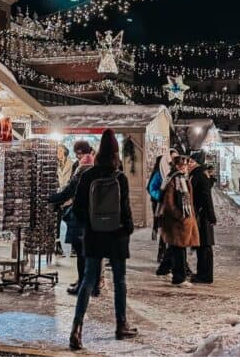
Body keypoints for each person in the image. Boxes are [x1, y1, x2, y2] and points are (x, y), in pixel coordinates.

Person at [69, 129, 137, 350]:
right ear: (116, 154)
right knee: (119, 281)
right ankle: (121, 324)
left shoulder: (88, 175)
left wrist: (89, 224)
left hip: (93, 235)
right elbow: (126, 209)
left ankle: (77, 329)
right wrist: (127, 227)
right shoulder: (120, 177)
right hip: (116, 235)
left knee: (88, 280)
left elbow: (77, 208)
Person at [49, 154, 102, 295]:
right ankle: (94, 286)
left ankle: (82, 286)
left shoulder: (79, 176)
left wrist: (48, 198)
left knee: (81, 255)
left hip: (80, 221)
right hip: (97, 223)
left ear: (80, 164)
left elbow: (66, 194)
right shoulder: (102, 177)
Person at [155, 156, 200, 287]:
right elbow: (168, 202)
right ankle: (179, 278)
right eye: (183, 165)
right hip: (177, 221)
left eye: (186, 165)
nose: (185, 167)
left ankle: (163, 269)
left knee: (174, 246)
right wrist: (180, 216)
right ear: (178, 166)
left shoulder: (175, 177)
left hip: (178, 220)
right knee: (179, 249)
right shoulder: (176, 178)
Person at [190, 152, 217, 283]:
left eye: (191, 161)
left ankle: (205, 275)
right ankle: (202, 273)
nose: (189, 163)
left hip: (203, 215)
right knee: (202, 245)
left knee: (205, 245)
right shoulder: (199, 174)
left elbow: (207, 198)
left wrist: (211, 217)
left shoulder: (200, 175)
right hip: (202, 214)